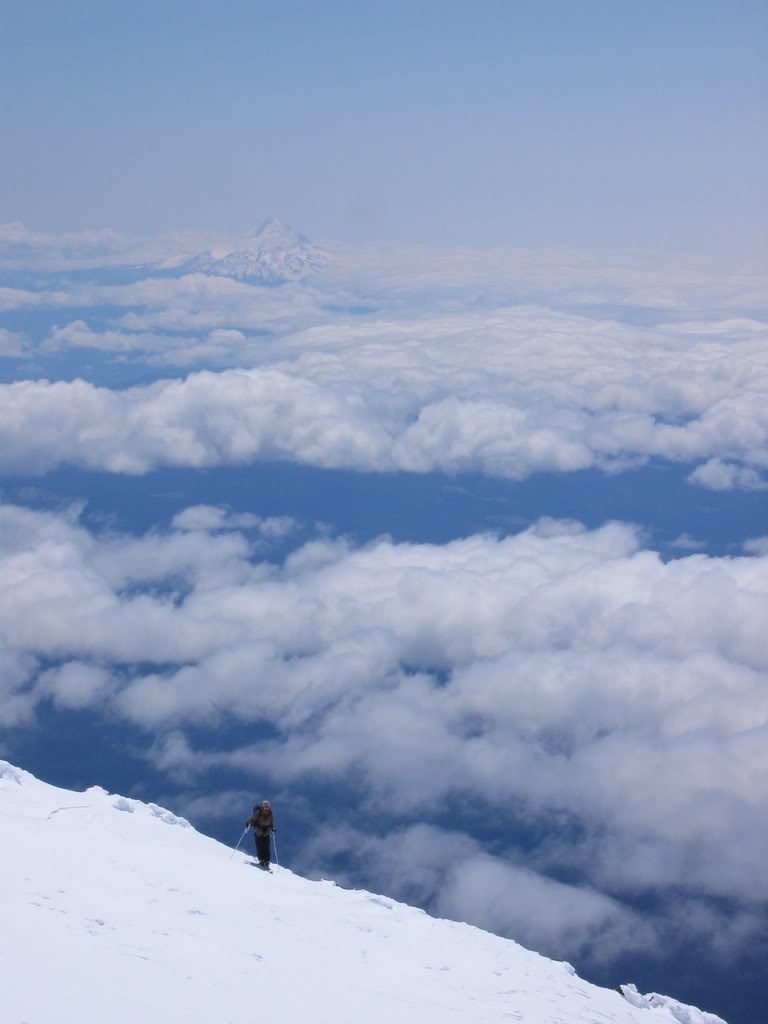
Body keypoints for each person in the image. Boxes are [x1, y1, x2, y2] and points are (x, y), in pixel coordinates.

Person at [246, 800, 275, 868]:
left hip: (266, 832)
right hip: (259, 831)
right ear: (262, 806)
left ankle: (267, 860)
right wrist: (249, 823)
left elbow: (271, 823)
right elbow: (253, 819)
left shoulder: (270, 814)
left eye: (267, 806)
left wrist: (273, 828)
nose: (266, 807)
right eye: (265, 806)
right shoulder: (258, 812)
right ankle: (261, 859)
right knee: (260, 846)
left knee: (266, 847)